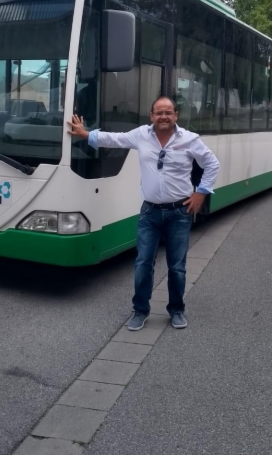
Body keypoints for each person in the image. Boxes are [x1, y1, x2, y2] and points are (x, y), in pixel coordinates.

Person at [67, 96, 220, 330]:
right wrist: (87, 134)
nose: (164, 116)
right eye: (159, 112)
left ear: (175, 116)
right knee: (142, 264)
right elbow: (115, 139)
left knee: (176, 266)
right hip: (150, 213)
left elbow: (212, 164)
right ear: (152, 116)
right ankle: (140, 310)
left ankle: (176, 309)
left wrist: (201, 192)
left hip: (179, 213)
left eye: (168, 112)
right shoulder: (141, 135)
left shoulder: (190, 140)